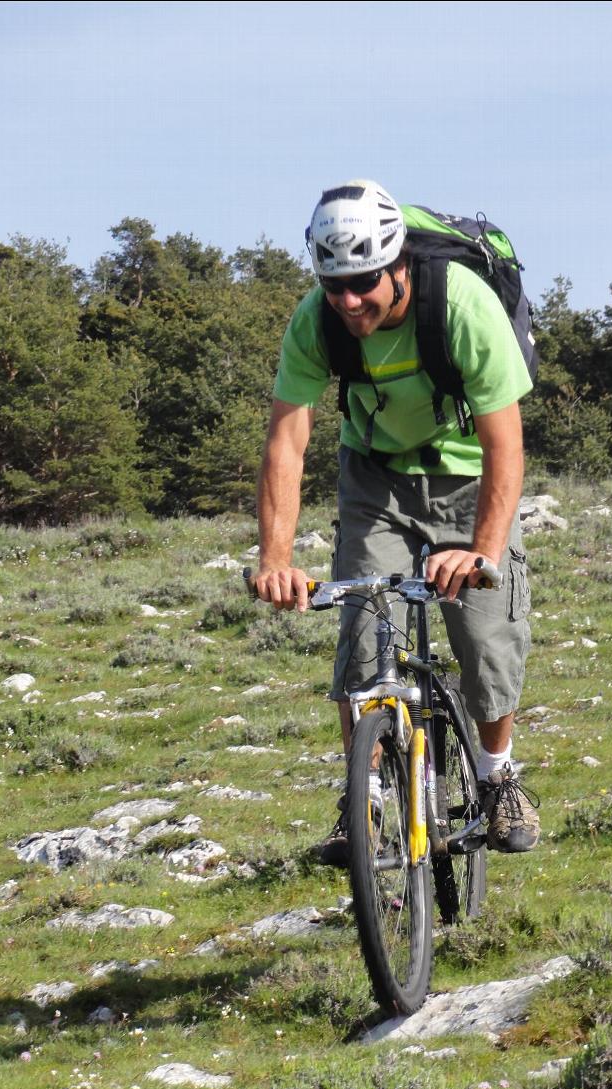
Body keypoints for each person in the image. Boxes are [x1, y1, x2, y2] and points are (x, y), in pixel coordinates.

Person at [252, 179, 538, 865]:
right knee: (360, 642)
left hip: (469, 477)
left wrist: (480, 552)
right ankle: (366, 806)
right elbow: (286, 442)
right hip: (375, 478)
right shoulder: (315, 321)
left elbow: (505, 444)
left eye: (365, 283)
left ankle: (498, 778)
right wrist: (275, 557)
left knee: (485, 638)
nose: (350, 302)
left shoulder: (460, 305)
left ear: (399, 262)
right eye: (334, 284)